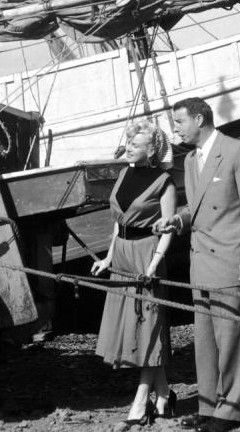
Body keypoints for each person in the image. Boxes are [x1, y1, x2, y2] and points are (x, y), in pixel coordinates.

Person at [153, 97, 240, 432]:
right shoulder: (191, 160)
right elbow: (199, 207)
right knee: (206, 342)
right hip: (202, 263)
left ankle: (230, 412)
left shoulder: (237, 152)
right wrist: (177, 220)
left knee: (233, 338)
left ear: (200, 119)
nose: (174, 128)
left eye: (179, 121)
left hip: (233, 263)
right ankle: (208, 407)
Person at [92, 118, 178, 425]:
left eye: (136, 144)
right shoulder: (123, 174)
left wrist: (154, 264)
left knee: (148, 327)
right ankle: (165, 396)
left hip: (146, 255)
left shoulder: (164, 181)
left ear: (152, 149)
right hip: (123, 257)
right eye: (128, 142)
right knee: (134, 327)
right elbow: (119, 223)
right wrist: (108, 257)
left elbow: (168, 229)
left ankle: (141, 402)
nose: (129, 148)